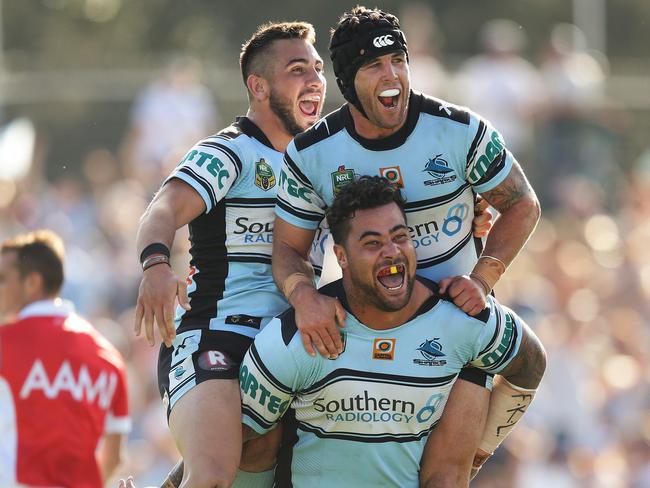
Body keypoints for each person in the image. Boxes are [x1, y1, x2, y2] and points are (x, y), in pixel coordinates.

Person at [271, 6, 544, 476]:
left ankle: (475, 455)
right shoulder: (311, 152)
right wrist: (303, 297)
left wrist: (482, 280)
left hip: (457, 323)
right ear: (348, 79)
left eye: (398, 60)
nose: (392, 73)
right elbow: (288, 249)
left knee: (448, 474)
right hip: (363, 329)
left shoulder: (461, 130)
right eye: (375, 66)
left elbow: (523, 204)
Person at [243, 176, 539, 487]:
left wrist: (479, 453)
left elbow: (531, 365)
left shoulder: (462, 320)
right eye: (372, 243)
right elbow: (236, 446)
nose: (391, 251)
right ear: (341, 256)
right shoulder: (298, 335)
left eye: (400, 237)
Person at [133, 21, 326, 488]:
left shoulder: (326, 159)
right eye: (297, 70)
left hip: (293, 342)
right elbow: (163, 208)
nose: (315, 80)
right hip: (217, 336)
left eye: (318, 69)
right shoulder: (230, 151)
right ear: (258, 87)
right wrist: (156, 265)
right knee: (214, 476)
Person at [0, 230, 130, 487]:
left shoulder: (5, 342)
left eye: (2, 278)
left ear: (32, 283)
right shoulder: (109, 357)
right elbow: (113, 457)